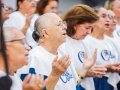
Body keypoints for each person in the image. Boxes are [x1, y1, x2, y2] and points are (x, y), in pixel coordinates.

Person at [58, 4, 107, 90]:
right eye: (87, 28)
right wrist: (85, 73)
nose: (89, 32)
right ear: (75, 24)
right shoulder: (62, 44)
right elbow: (63, 77)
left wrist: (95, 70)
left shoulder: (84, 43)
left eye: (91, 28)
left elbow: (88, 67)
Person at [84, 7, 120, 90]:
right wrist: (106, 68)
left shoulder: (112, 42)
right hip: (93, 84)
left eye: (109, 17)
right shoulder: (86, 42)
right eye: (103, 16)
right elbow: (82, 69)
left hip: (110, 84)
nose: (108, 20)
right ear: (93, 20)